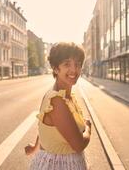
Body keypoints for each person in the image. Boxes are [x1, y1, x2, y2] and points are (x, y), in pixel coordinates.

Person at [25, 42, 91, 170]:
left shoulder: (65, 95)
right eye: (67, 64)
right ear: (55, 68)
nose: (74, 69)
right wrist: (88, 128)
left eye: (77, 64)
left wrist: (35, 147)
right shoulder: (57, 101)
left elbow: (51, 127)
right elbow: (78, 145)